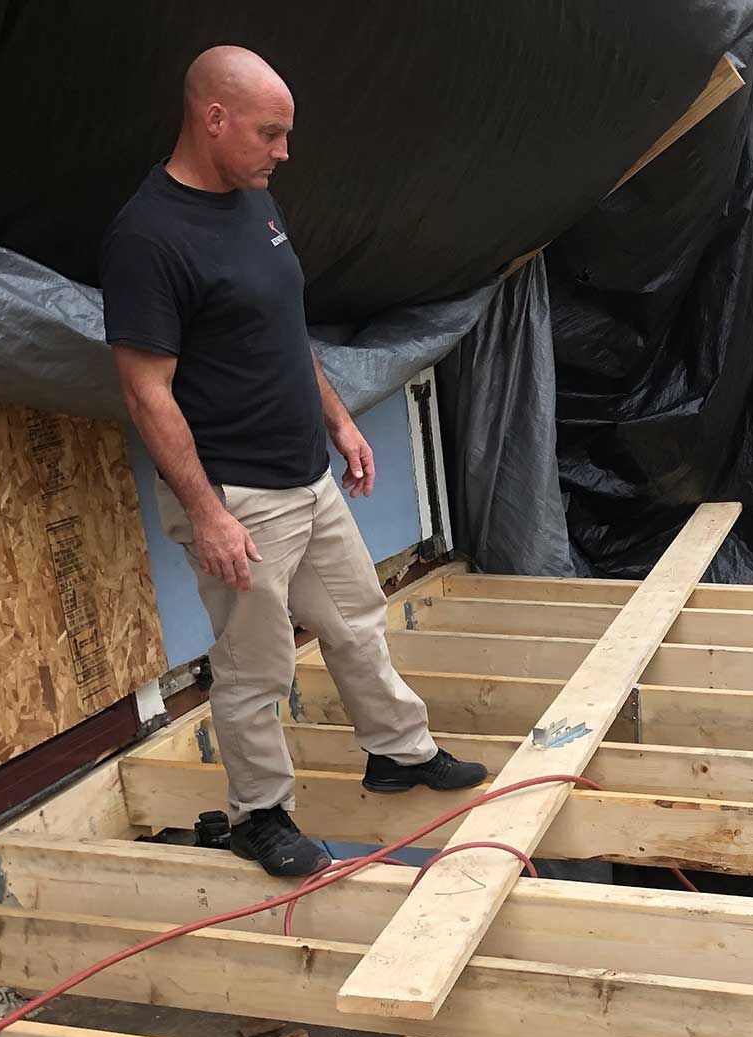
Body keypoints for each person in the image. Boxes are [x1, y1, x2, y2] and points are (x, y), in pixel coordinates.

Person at [103, 46, 485, 879]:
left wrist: (341, 423)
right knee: (254, 667)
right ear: (213, 120)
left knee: (356, 621)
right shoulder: (149, 237)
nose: (284, 152)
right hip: (239, 495)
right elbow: (145, 393)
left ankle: (398, 753)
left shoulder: (254, 202)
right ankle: (259, 815)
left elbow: (280, 329)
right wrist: (207, 514)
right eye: (270, 133)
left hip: (306, 476)